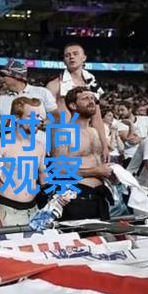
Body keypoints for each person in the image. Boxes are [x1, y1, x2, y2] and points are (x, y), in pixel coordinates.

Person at [52, 87, 112, 221]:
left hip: (99, 197)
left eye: (92, 98)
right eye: (85, 98)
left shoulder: (95, 132)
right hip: (76, 197)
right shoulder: (63, 132)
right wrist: (95, 171)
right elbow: (58, 170)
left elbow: (98, 164)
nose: (91, 101)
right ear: (73, 105)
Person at [46, 43, 109, 162]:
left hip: (86, 137)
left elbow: (97, 119)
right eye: (67, 55)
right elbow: (48, 117)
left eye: (75, 54)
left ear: (84, 57)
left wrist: (105, 146)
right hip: (64, 139)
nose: (71, 57)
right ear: (64, 60)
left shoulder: (92, 84)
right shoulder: (54, 85)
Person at [0, 97, 47, 227]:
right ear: (17, 118)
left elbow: (44, 179)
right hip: (7, 211)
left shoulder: (39, 146)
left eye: (38, 116)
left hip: (34, 211)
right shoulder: (1, 145)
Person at [115, 101, 148, 167]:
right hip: (131, 157)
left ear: (130, 109)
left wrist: (141, 138)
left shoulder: (146, 119)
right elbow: (132, 141)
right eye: (119, 111)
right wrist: (131, 124)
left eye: (122, 110)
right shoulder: (119, 124)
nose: (120, 112)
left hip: (147, 155)